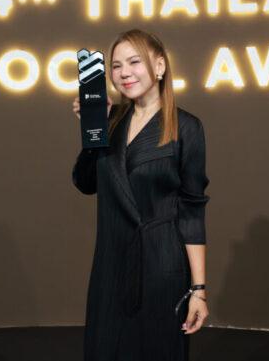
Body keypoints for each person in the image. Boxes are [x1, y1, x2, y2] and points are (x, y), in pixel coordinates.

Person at [71, 29, 210, 361]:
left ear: (159, 66)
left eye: (134, 62)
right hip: (110, 265)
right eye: (116, 66)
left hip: (162, 266)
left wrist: (199, 290)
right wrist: (91, 132)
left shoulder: (186, 127)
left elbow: (192, 211)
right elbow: (85, 183)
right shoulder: (111, 121)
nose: (124, 73)